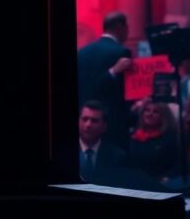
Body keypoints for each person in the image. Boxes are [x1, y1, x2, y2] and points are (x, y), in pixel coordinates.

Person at [77, 12, 132, 148]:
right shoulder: (121, 52)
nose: (128, 32)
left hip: (84, 121)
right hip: (112, 123)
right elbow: (124, 92)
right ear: (121, 27)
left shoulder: (81, 53)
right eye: (127, 28)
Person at [78, 101, 127, 183]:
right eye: (84, 119)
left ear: (104, 127)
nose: (88, 125)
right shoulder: (65, 152)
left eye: (94, 121)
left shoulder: (117, 156)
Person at [129, 99, 179, 180]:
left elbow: (177, 164)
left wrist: (167, 178)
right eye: (147, 110)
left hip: (161, 183)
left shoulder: (170, 138)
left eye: (155, 112)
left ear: (164, 116)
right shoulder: (134, 136)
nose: (149, 114)